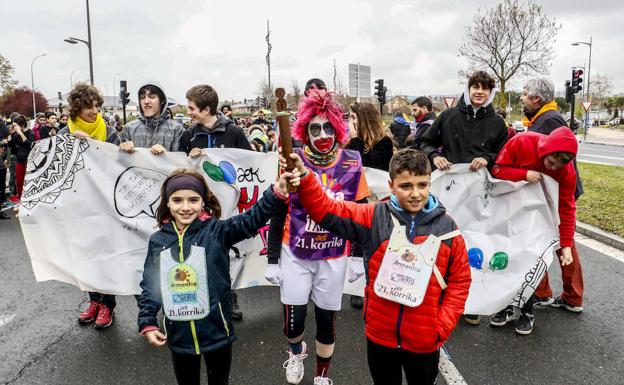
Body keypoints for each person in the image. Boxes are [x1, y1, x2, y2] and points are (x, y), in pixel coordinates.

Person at [284, 148, 470, 385]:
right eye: (406, 186)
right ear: (391, 185)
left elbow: (460, 281)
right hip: (381, 337)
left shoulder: (447, 228)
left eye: (422, 185)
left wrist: (441, 327)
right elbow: (328, 210)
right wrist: (307, 177)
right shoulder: (375, 216)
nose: (415, 194)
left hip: (425, 340)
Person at [138, 167, 299, 385]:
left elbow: (249, 220)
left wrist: (277, 192)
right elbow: (151, 283)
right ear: (167, 202)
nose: (185, 207)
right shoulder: (158, 241)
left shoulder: (216, 232)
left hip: (217, 332)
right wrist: (147, 322)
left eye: (193, 200)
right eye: (177, 200)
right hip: (179, 336)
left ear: (203, 202)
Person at [265, 88, 370, 385]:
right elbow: (277, 210)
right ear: (304, 131)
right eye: (314, 128)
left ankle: (322, 375)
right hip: (295, 252)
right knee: (292, 325)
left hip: (333, 255)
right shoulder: (291, 159)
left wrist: (357, 255)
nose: (321, 133)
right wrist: (273, 259)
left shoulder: (351, 162)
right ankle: (296, 351)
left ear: (337, 129)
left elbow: (359, 212)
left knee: (326, 322)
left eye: (327, 127)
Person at [419, 71, 507, 326]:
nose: (479, 92)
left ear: (491, 93)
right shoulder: (448, 117)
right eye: (475, 87)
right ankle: (438, 295)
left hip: (480, 195)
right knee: (446, 241)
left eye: (485, 89)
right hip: (449, 192)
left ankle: (470, 301)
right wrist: (435, 156)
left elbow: (502, 154)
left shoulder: (498, 123)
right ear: (468, 89)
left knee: (473, 245)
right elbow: (425, 143)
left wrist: (487, 159)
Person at [490, 126, 579, 334]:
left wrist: (566, 244)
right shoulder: (522, 142)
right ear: (547, 149)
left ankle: (527, 310)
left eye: (560, 164)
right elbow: (497, 169)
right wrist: (523, 174)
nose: (555, 168)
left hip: (539, 217)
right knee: (508, 260)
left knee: (530, 262)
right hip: (508, 211)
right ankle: (508, 306)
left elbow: (566, 207)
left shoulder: (566, 171)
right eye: (552, 161)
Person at [180, 84, 251, 321]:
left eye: (191, 108)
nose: (188, 112)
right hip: (198, 206)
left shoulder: (234, 133)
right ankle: (200, 297)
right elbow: (177, 167)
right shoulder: (188, 135)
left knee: (227, 252)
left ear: (206, 109)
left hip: (228, 205)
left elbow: (250, 162)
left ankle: (229, 297)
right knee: (198, 250)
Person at [519, 78, 585, 314]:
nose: (522, 98)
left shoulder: (549, 120)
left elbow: (553, 163)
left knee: (561, 243)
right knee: (549, 240)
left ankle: (569, 295)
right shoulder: (543, 118)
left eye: (525, 94)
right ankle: (550, 292)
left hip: (557, 194)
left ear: (536, 99)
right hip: (551, 193)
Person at [58, 83, 121, 328]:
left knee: (105, 254)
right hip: (78, 204)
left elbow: (118, 164)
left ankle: (108, 304)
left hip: (105, 204)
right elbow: (58, 169)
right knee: (85, 253)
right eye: (88, 106)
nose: (94, 111)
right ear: (76, 107)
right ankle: (93, 299)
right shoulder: (65, 133)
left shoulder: (110, 131)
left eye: (97, 105)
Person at [119, 83, 184, 155]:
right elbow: (120, 162)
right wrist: (122, 150)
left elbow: (180, 162)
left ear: (162, 101)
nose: (146, 101)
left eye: (152, 97)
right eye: (142, 97)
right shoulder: (129, 128)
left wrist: (166, 155)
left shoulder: (176, 129)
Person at [347, 102, 394, 171]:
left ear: (364, 119)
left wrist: (354, 139)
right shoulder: (356, 140)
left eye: (353, 117)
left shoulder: (384, 142)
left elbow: (365, 167)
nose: (351, 122)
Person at [6, 115, 34, 203]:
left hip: (29, 161)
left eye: (16, 125)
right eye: (13, 126)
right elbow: (11, 145)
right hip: (20, 160)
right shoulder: (15, 134)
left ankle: (30, 200)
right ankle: (22, 200)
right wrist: (10, 134)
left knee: (29, 182)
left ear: (22, 125)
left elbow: (29, 144)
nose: (14, 127)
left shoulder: (30, 133)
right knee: (19, 181)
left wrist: (21, 134)